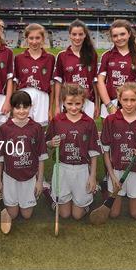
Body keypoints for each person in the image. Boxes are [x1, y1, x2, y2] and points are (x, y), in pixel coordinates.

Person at [100, 82, 136, 219]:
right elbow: (106, 152)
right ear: (119, 99)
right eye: (125, 100)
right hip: (116, 171)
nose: (129, 104)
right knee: (113, 214)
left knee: (135, 214)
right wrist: (112, 176)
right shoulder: (110, 120)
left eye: (133, 100)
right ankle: (105, 187)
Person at [46, 83, 100, 220]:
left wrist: (92, 176)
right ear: (63, 102)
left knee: (77, 215)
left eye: (78, 103)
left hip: (82, 169)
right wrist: (52, 143)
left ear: (83, 103)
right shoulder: (57, 120)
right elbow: (47, 143)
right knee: (65, 214)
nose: (74, 107)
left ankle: (89, 195)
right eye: (70, 103)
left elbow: (94, 152)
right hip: (62, 168)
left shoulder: (89, 122)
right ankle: (49, 193)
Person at [0, 91, 48, 220]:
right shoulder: (4, 128)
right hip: (10, 177)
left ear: (31, 107)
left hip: (30, 176)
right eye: (17, 107)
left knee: (26, 215)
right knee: (12, 215)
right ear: (12, 108)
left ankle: (48, 191)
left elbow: (41, 157)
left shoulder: (36, 128)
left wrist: (40, 181)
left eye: (25, 107)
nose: (21, 111)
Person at [97, 19, 136, 118]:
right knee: (109, 133)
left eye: (122, 34)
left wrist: (135, 100)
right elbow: (100, 81)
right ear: (111, 38)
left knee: (130, 133)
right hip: (110, 103)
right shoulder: (106, 56)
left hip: (131, 104)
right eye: (115, 36)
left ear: (129, 34)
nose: (119, 38)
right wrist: (109, 105)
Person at [53, 20, 99, 119]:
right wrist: (57, 105)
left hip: (88, 101)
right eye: (74, 34)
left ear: (85, 35)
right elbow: (58, 82)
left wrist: (97, 104)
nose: (77, 38)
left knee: (86, 132)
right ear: (69, 35)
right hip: (69, 102)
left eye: (80, 34)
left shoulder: (92, 55)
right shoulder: (62, 55)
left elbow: (95, 81)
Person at [13, 23, 55, 126]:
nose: (34, 41)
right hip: (23, 95)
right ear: (26, 39)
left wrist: (50, 109)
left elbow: (52, 85)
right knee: (22, 127)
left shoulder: (50, 58)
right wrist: (13, 105)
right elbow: (15, 83)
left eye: (37, 38)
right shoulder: (19, 58)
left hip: (42, 97)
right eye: (31, 38)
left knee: (40, 128)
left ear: (43, 39)